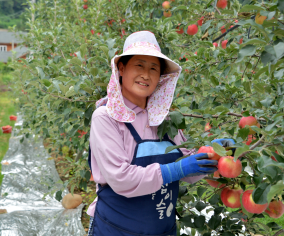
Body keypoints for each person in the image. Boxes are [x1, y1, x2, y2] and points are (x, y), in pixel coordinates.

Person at [87, 31, 234, 236]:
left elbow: (186, 167)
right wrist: (176, 170)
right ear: (121, 68)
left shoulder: (165, 119)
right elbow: (121, 178)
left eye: (153, 68)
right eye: (139, 65)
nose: (146, 75)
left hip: (163, 230)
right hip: (116, 229)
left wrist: (213, 155)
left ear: (160, 77)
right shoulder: (106, 117)